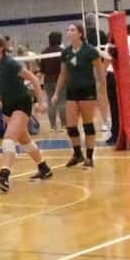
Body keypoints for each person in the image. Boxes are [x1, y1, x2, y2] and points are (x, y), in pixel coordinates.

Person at [0, 35, 52, 192]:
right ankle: (44, 168)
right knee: (24, 140)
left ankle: (4, 177)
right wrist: (5, 110)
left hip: (22, 103)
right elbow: (2, 87)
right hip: (8, 105)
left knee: (9, 138)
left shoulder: (10, 63)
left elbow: (34, 79)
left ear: (1, 47)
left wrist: (42, 102)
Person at [52, 22, 107, 168]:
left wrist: (102, 89)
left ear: (80, 33)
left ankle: (89, 157)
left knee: (88, 125)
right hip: (71, 91)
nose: (69, 32)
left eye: (72, 30)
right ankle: (77, 154)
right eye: (68, 30)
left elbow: (100, 71)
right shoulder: (66, 52)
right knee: (71, 126)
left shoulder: (90, 51)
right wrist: (56, 92)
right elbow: (63, 74)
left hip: (87, 91)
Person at [40, 31, 63, 133]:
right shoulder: (63, 51)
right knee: (62, 102)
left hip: (48, 80)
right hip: (60, 80)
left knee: (51, 103)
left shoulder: (44, 52)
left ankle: (52, 126)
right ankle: (64, 126)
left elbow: (42, 69)